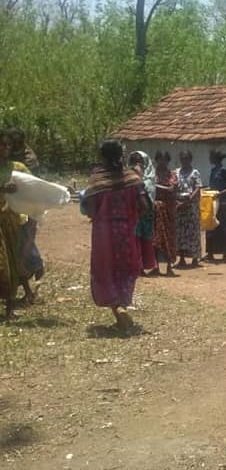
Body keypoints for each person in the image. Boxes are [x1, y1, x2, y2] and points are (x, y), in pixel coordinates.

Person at [85, 139, 148, 328]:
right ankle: (122, 304)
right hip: (127, 232)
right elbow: (144, 206)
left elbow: (89, 209)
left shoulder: (96, 181)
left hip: (104, 235)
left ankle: (117, 306)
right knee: (126, 269)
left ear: (102, 157)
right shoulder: (133, 179)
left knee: (105, 269)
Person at [8, 129, 44, 303]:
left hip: (28, 206)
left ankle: (34, 285)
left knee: (26, 247)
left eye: (14, 144)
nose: (11, 147)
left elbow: (32, 185)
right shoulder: (8, 161)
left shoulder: (28, 161)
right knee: (17, 251)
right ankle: (28, 291)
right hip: (11, 210)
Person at [0, 130, 29, 319]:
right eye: (2, 145)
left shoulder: (17, 167)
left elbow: (32, 186)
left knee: (11, 262)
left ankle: (9, 308)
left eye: (7, 145)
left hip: (11, 221)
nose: (5, 148)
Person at [128, 151, 159, 277]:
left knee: (145, 239)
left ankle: (146, 265)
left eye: (139, 162)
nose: (137, 165)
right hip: (133, 211)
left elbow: (150, 191)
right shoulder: (129, 175)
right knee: (135, 239)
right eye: (134, 162)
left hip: (146, 213)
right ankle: (137, 266)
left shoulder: (150, 177)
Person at [204, 149, 226, 261]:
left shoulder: (224, 170)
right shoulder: (213, 170)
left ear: (215, 158)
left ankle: (225, 253)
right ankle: (210, 253)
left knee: (225, 228)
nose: (209, 159)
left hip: (225, 203)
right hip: (214, 202)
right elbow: (213, 186)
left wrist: (222, 192)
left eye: (210, 157)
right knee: (212, 226)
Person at [174, 150, 202, 268]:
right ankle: (182, 258)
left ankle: (195, 258)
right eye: (182, 159)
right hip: (180, 206)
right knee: (180, 233)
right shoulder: (176, 172)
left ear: (190, 159)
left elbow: (198, 187)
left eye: (186, 159)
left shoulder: (195, 173)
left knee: (193, 232)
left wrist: (190, 198)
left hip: (191, 207)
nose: (184, 161)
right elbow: (174, 186)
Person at [152, 151, 178, 277]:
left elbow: (172, 189)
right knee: (156, 239)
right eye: (160, 160)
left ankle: (169, 266)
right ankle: (155, 266)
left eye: (165, 160)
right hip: (155, 210)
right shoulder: (152, 174)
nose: (162, 162)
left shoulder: (172, 174)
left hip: (168, 210)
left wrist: (157, 186)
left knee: (169, 238)